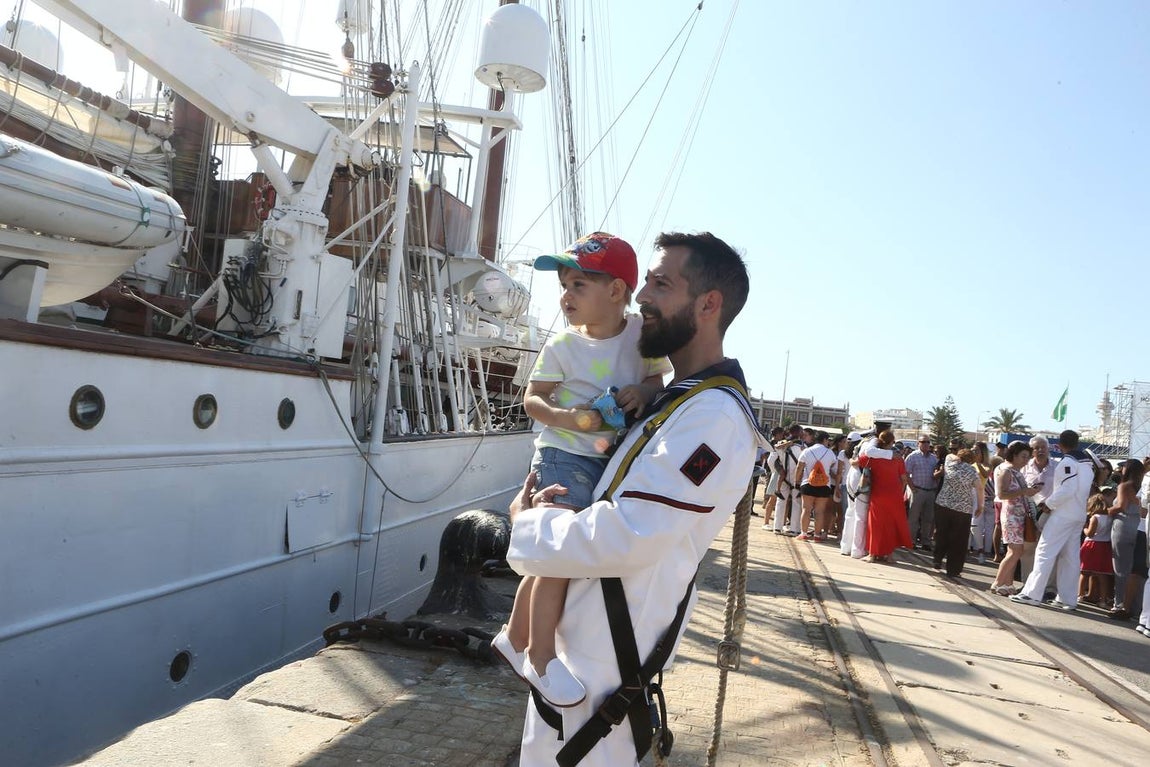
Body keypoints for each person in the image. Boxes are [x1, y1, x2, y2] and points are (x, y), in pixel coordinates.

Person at [505, 231, 764, 766]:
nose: (642, 295)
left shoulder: (711, 420)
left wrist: (527, 525)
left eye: (661, 283)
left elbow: (629, 535)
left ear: (708, 304)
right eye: (645, 279)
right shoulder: (677, 402)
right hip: (587, 659)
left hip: (601, 678)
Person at [492, 232, 670, 707]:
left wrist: (646, 393)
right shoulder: (562, 347)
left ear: (616, 291)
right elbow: (533, 399)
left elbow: (656, 377)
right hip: (564, 455)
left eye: (577, 286)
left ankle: (514, 636)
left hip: (603, 458)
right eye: (564, 285)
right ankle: (542, 657)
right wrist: (567, 418)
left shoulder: (640, 337)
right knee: (562, 555)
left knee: (553, 554)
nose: (565, 296)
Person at [1012, 430, 1095, 611]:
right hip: (1079, 514)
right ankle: (1067, 599)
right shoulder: (1087, 464)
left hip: (1063, 514)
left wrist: (1047, 504)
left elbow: (1068, 489)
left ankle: (1032, 594)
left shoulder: (1068, 462)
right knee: (1070, 557)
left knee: (1044, 551)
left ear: (1060, 444)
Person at [989, 441, 1041, 595]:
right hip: (1011, 515)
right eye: (1024, 456)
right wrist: (1024, 491)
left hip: (1018, 515)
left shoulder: (1016, 472)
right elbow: (1001, 494)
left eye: (1028, 457)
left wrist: (1027, 491)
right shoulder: (1007, 471)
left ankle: (1007, 583)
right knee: (1015, 551)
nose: (1026, 460)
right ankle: (998, 583)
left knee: (1015, 551)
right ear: (1014, 455)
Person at [860, 430, 911, 563]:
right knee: (890, 525)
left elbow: (858, 461)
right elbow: (904, 479)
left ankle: (872, 554)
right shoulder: (898, 458)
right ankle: (889, 555)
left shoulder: (874, 457)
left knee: (875, 524)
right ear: (892, 441)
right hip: (894, 495)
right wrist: (899, 492)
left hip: (879, 494)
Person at [933, 448, 984, 579]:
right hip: (963, 509)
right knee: (958, 541)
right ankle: (953, 570)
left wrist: (956, 457)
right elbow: (979, 488)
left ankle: (937, 559)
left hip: (943, 504)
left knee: (941, 533)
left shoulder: (950, 463)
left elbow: (949, 455)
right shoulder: (972, 472)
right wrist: (980, 505)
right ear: (972, 460)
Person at [1108, 458, 1145, 619]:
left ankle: (1120, 604)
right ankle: (1136, 606)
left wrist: (1107, 510)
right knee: (1136, 570)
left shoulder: (1124, 486)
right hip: (1138, 527)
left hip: (1123, 526)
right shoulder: (1141, 488)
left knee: (1121, 569)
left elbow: (1120, 506)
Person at [795, 430, 839, 541]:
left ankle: (804, 533)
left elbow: (799, 467)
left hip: (808, 483)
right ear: (824, 440)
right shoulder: (830, 453)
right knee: (819, 511)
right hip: (824, 485)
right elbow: (834, 468)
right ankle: (817, 535)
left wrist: (797, 481)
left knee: (806, 509)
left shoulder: (807, 451)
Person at [1079, 493, 1115, 607]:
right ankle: (1103, 600)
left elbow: (1091, 533)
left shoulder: (1095, 518)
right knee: (1101, 574)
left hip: (1092, 545)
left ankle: (1079, 595)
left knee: (1084, 572)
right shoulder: (1110, 518)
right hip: (1104, 547)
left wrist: (1084, 528)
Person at [770, 424, 805, 535]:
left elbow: (772, 460)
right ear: (799, 433)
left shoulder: (782, 445)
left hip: (784, 478)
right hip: (797, 479)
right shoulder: (803, 448)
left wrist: (778, 471)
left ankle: (777, 527)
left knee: (781, 502)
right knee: (797, 503)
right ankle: (794, 529)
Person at [905, 436, 939, 550]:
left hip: (930, 492)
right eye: (923, 442)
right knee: (913, 518)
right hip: (918, 491)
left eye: (928, 442)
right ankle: (911, 541)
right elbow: (905, 474)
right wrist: (912, 488)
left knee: (928, 519)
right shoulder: (912, 457)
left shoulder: (934, 458)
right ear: (918, 443)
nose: (925, 444)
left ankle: (926, 542)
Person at [970, 442, 996, 565]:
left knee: (978, 524)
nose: (974, 452)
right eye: (973, 450)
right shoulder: (971, 464)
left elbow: (985, 474)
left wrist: (978, 464)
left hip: (979, 496)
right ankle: (973, 548)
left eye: (977, 451)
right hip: (969, 495)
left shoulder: (987, 465)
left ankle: (982, 550)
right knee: (972, 525)